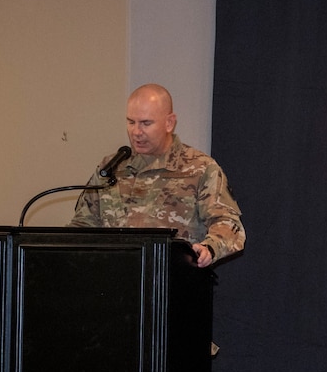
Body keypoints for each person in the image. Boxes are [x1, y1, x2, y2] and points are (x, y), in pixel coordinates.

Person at [71, 83, 245, 267]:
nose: (136, 132)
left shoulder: (200, 168)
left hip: (174, 281)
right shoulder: (111, 167)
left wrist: (209, 248)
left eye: (146, 123)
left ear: (169, 122)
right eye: (131, 122)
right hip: (113, 279)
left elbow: (229, 225)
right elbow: (83, 225)